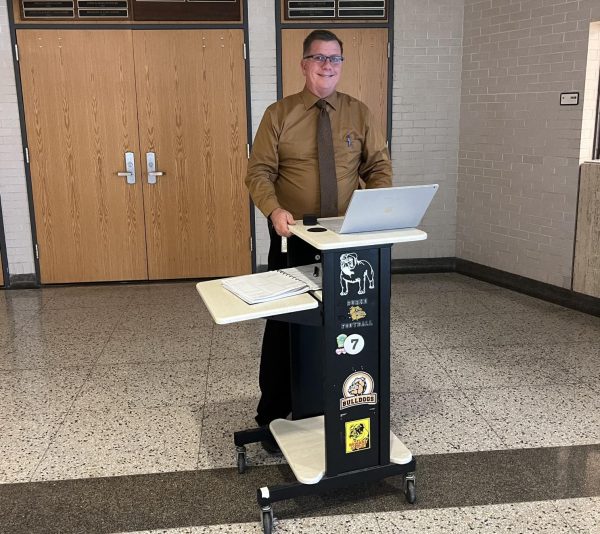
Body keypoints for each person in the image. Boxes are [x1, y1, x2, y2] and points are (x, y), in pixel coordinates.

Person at [245, 29, 392, 451]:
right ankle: (273, 414)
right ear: (304, 64)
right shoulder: (280, 114)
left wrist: (378, 211)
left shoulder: (359, 113)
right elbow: (259, 172)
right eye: (319, 57)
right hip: (294, 237)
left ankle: (341, 404)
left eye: (335, 58)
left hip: (347, 240)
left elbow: (378, 166)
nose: (328, 65)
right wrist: (273, 210)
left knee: (349, 324)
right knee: (285, 327)